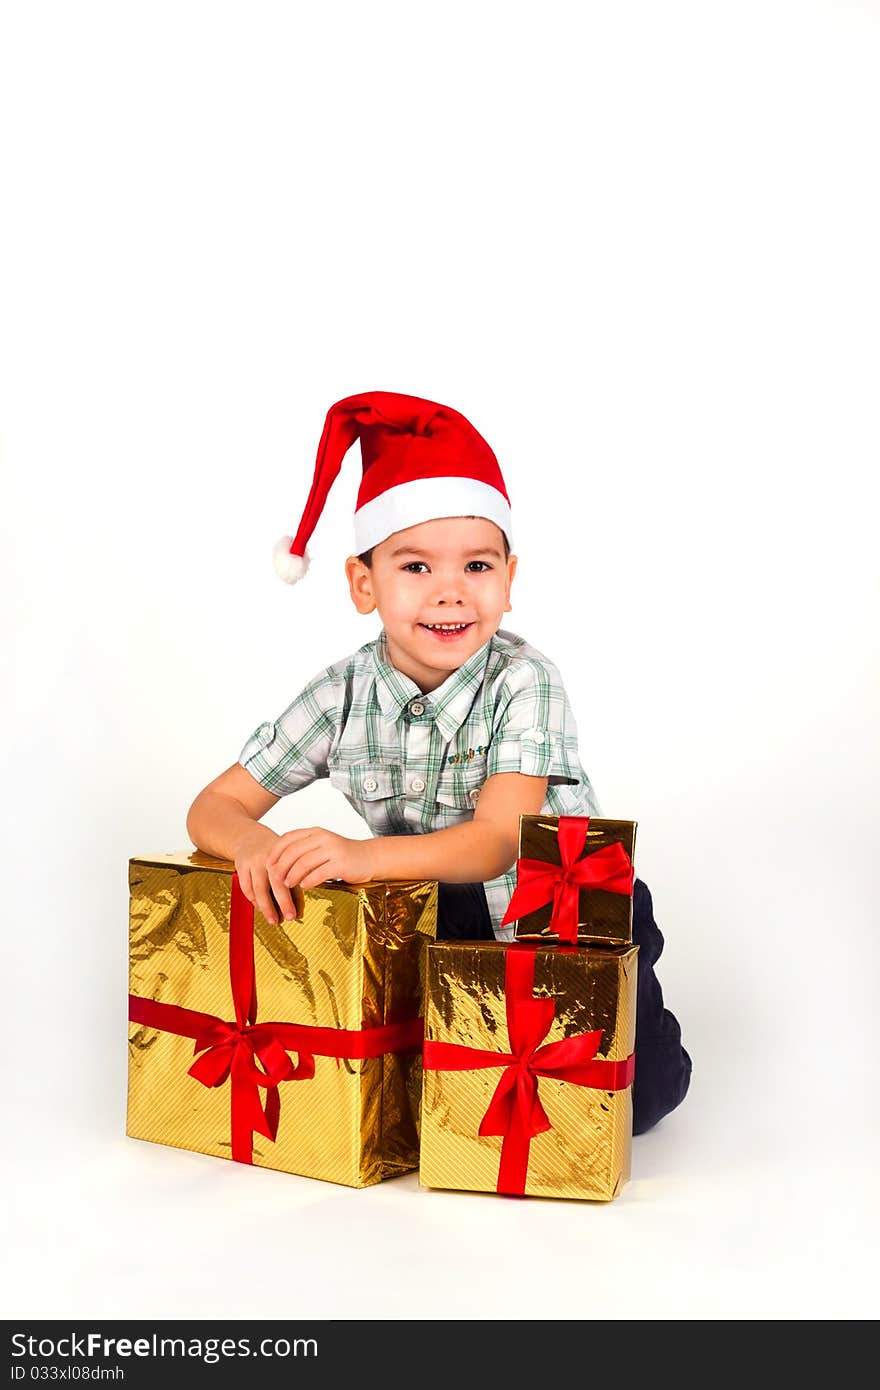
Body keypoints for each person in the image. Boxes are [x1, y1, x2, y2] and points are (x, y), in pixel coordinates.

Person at [186, 390, 690, 1133]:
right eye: (416, 566)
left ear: (509, 580)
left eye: (477, 565)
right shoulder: (339, 694)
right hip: (439, 921)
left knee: (627, 1107)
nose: (451, 590)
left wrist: (358, 854)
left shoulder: (526, 681)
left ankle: (656, 1037)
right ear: (365, 584)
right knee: (439, 1111)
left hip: (563, 915)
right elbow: (211, 809)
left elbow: (493, 844)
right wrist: (256, 846)